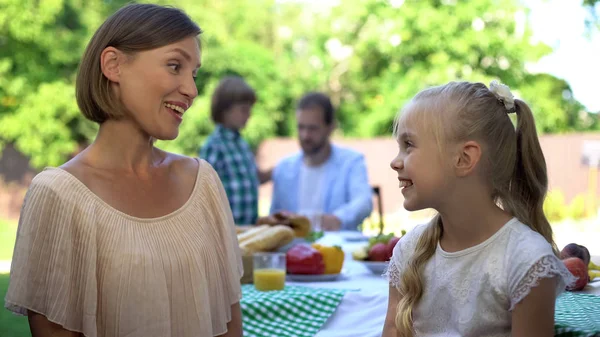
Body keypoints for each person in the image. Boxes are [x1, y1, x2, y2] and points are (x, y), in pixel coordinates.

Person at [4, 4, 243, 337]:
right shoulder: (57, 195)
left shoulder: (203, 182)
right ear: (113, 65)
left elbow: (230, 323)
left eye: (194, 74)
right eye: (175, 66)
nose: (192, 90)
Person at [382, 81, 575, 337]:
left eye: (409, 145)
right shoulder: (409, 250)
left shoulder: (526, 260)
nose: (395, 162)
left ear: (464, 158)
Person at [270, 92, 373, 231]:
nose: (305, 135)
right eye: (301, 127)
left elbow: (364, 202)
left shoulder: (351, 162)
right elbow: (274, 217)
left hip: (339, 249)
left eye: (312, 128)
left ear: (330, 127)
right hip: (292, 250)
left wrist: (338, 218)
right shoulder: (283, 168)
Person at [200, 76, 271, 225]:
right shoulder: (214, 146)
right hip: (226, 230)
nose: (249, 114)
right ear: (225, 110)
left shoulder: (243, 144)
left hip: (249, 229)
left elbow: (252, 177)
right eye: (244, 110)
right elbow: (204, 191)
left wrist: (279, 170)